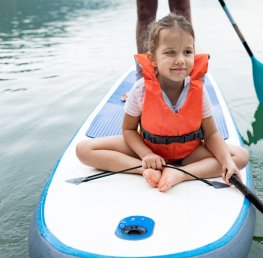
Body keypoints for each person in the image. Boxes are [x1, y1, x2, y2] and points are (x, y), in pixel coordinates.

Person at [76, 13, 249, 192]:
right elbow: (128, 130)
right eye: (170, 52)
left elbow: (211, 134)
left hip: (189, 153)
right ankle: (145, 169)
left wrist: (227, 163)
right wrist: (147, 155)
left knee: (240, 156)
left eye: (187, 52)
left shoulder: (198, 90)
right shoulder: (140, 89)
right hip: (149, 148)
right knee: (84, 149)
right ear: (153, 59)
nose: (180, 60)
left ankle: (180, 174)